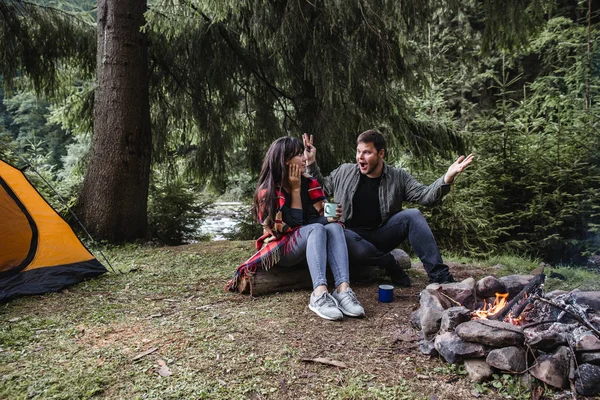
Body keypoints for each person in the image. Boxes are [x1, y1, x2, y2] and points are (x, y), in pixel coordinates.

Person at [304, 129, 474, 286]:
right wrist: (311, 163)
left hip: (380, 234)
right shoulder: (344, 171)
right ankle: (389, 263)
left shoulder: (398, 177)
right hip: (349, 236)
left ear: (381, 153)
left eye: (367, 152)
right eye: (358, 151)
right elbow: (320, 189)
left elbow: (426, 196)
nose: (360, 157)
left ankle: (441, 278)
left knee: (413, 215)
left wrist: (447, 178)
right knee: (338, 231)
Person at [226, 136, 365, 321]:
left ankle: (343, 290)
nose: (304, 159)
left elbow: (312, 220)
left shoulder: (309, 183)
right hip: (283, 250)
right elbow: (292, 228)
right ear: (284, 160)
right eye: (299, 155)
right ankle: (319, 294)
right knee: (317, 229)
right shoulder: (266, 193)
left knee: (333, 227)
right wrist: (295, 191)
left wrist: (329, 217)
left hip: (309, 247)